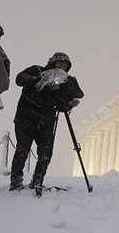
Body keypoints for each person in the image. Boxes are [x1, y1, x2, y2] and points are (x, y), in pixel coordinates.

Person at [10, 52, 84, 196]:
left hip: (46, 120)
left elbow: (66, 102)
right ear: (52, 63)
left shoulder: (62, 82)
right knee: (22, 149)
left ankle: (38, 181)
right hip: (26, 118)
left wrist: (68, 102)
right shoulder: (36, 70)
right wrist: (38, 79)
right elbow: (19, 79)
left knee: (46, 153)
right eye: (59, 63)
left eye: (65, 65)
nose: (61, 67)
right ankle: (16, 182)